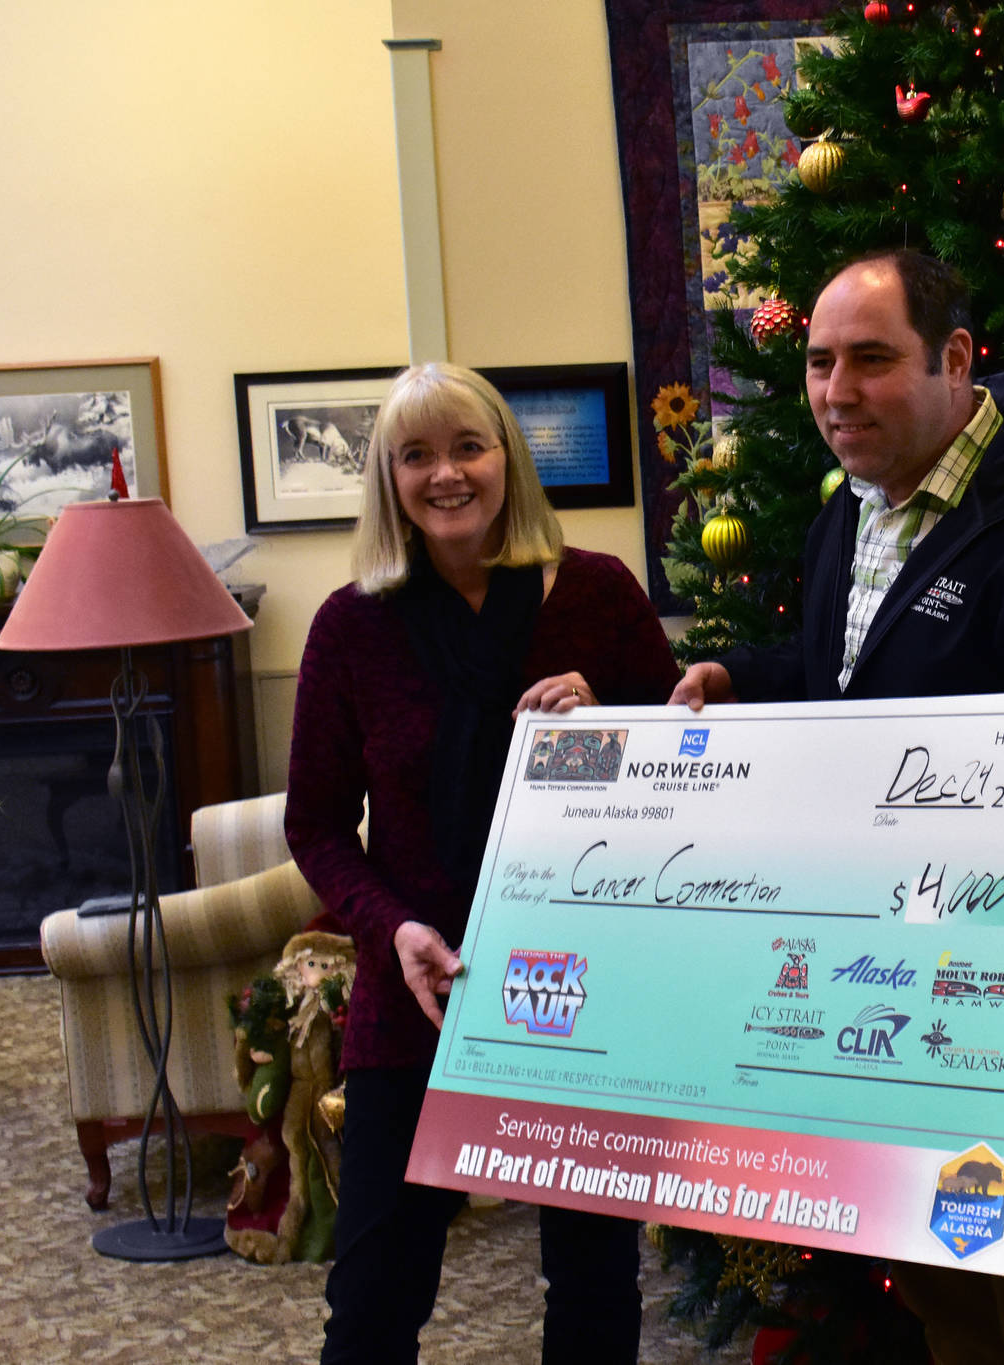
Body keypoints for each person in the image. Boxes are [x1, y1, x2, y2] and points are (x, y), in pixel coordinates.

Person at [672, 248, 1004, 1365]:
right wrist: (741, 677)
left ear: (954, 360)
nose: (836, 393)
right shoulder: (854, 512)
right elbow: (853, 675)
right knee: (952, 1290)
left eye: (871, 361)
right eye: (817, 362)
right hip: (899, 984)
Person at [286, 361, 681, 1365]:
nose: (445, 474)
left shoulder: (594, 594)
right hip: (419, 986)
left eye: (467, 446)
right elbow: (318, 825)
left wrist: (610, 727)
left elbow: (690, 778)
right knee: (375, 1291)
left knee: (592, 1283)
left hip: (577, 983)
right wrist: (393, 930)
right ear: (387, 478)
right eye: (416, 455)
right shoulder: (350, 626)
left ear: (507, 458)